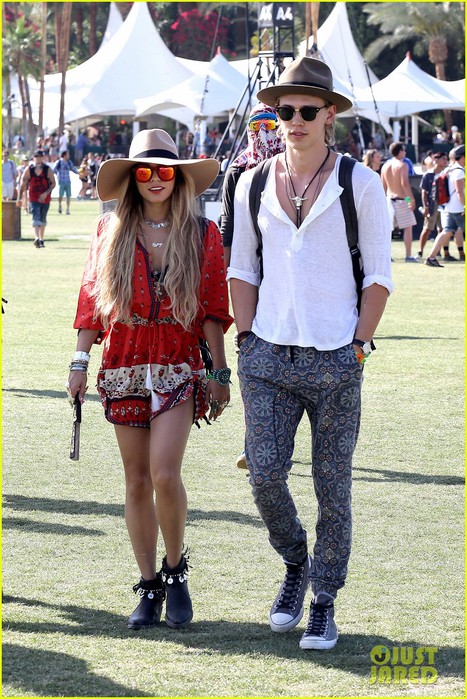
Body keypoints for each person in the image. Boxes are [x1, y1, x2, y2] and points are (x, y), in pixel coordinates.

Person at [228, 57, 393, 651]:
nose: (292, 120)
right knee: (265, 475)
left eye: (305, 110)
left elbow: (378, 275)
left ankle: (323, 597)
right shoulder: (250, 182)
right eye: (284, 110)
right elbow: (242, 266)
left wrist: (359, 345)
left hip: (336, 357)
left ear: (329, 116)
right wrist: (245, 340)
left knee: (334, 485)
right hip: (267, 352)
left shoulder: (360, 183)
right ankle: (295, 562)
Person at [67, 129, 232, 630]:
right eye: (144, 171)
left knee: (164, 472)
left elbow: (211, 307)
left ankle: (176, 569)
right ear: (132, 179)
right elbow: (90, 301)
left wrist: (220, 371)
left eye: (165, 171)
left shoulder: (203, 233)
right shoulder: (109, 229)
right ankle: (148, 586)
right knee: (135, 480)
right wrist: (78, 362)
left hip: (178, 361)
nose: (156, 179)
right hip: (123, 362)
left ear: (178, 177)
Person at [219, 103, 284, 470]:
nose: (264, 133)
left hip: (285, 271)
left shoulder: (293, 168)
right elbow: (228, 223)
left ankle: (271, 436)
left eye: (270, 125)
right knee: (251, 352)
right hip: (250, 271)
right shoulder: (239, 168)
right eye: (257, 126)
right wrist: (229, 273)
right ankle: (254, 439)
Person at [424, 145, 465, 267]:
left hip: (448, 207)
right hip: (458, 208)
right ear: (463, 157)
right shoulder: (459, 171)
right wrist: (465, 206)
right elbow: (459, 191)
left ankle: (431, 257)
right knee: (446, 232)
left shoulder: (450, 169)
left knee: (446, 232)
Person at [380, 142, 418, 262]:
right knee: (408, 228)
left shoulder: (385, 166)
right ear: (400, 151)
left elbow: (383, 187)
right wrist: (410, 200)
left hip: (388, 200)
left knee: (387, 230)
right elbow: (404, 185)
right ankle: (408, 255)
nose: (405, 152)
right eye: (404, 150)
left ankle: (387, 256)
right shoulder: (402, 165)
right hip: (401, 201)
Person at [17, 149, 56, 248]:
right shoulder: (29, 170)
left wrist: (46, 193)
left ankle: (41, 239)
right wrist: (19, 198)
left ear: (43, 158)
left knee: (43, 219)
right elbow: (23, 184)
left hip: (45, 198)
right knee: (36, 217)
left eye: (40, 157)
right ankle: (36, 238)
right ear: (34, 158)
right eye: (36, 157)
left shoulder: (47, 169)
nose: (38, 159)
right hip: (34, 197)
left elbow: (53, 183)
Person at [417, 152, 448, 260]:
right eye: (443, 159)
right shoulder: (428, 174)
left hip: (444, 204)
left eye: (446, 159)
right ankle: (420, 251)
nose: (445, 161)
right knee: (427, 229)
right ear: (436, 160)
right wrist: (425, 206)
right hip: (432, 204)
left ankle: (440, 252)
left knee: (443, 229)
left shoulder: (446, 173)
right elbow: (424, 192)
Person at [53, 150, 79, 214]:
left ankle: (67, 209)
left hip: (68, 181)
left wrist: (80, 172)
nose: (69, 156)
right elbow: (54, 170)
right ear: (64, 155)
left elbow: (74, 169)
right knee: (60, 195)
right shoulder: (58, 162)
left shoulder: (69, 162)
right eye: (68, 155)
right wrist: (58, 175)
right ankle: (60, 206)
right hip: (61, 181)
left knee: (68, 196)